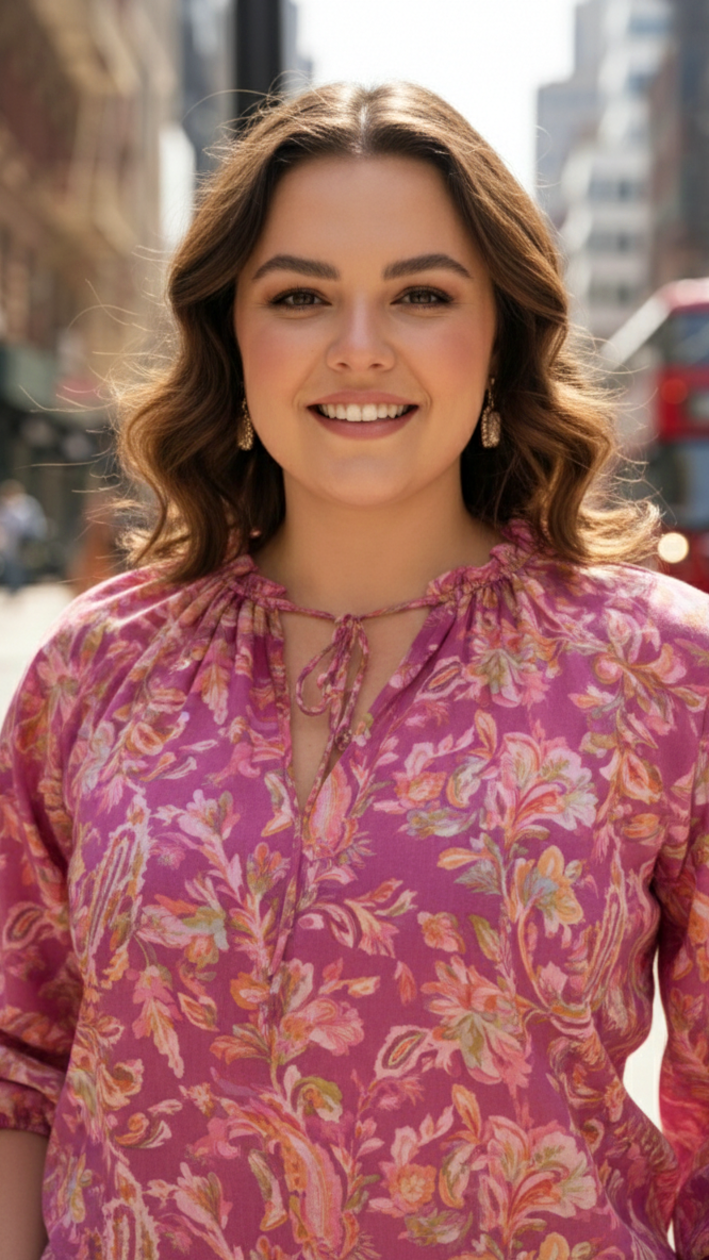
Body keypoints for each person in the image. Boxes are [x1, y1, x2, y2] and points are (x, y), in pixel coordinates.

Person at [0, 82, 707, 1260]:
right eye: (300, 296)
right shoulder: (94, 668)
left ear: (499, 337)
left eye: (422, 294)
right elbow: (17, 1063)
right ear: (234, 337)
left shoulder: (660, 673)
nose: (359, 346)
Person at [0, 479, 46, 593]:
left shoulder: (29, 504)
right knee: (11, 564)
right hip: (10, 542)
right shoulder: (4, 505)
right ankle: (14, 587)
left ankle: (21, 585)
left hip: (26, 539)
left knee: (24, 563)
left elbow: (35, 522)